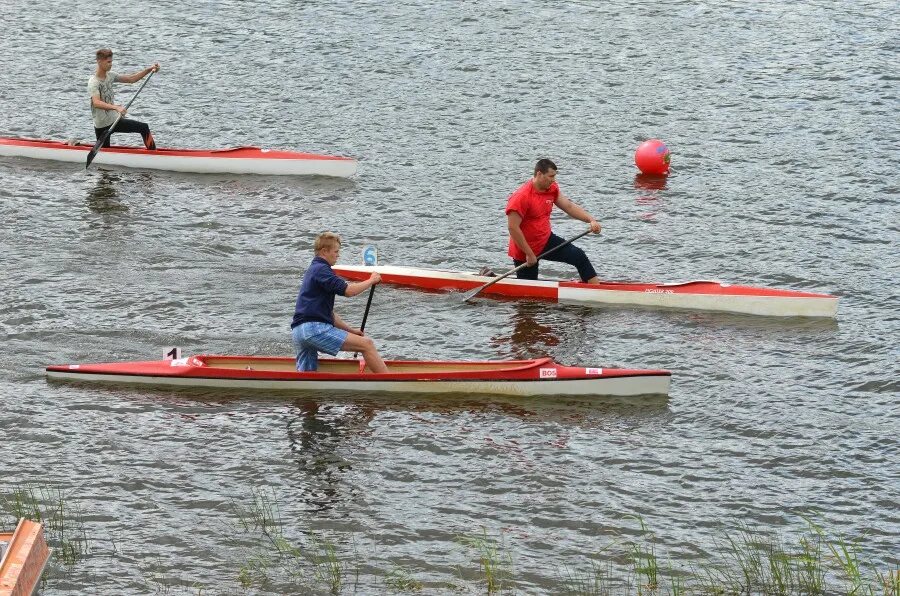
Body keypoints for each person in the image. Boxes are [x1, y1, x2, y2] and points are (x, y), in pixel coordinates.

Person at [291, 232, 388, 373]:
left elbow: (329, 315)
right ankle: (390, 382)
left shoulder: (313, 270)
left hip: (299, 332)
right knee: (367, 344)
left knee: (307, 375)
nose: (338, 255)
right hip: (313, 330)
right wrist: (371, 280)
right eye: (336, 251)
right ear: (324, 251)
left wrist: (351, 331)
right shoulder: (322, 270)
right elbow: (348, 291)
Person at [506, 158, 602, 283]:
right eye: (551, 176)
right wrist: (529, 254)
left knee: (579, 256)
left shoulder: (552, 188)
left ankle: (595, 290)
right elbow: (512, 228)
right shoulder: (521, 197)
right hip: (525, 249)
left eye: (554, 176)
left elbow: (569, 206)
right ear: (539, 174)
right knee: (529, 296)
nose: (553, 180)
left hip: (546, 240)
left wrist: (591, 220)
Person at [88, 48, 160, 150]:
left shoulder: (111, 76)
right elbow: (96, 103)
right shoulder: (93, 82)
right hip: (102, 125)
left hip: (114, 120)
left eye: (111, 61)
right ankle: (75, 145)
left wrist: (149, 70)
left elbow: (131, 79)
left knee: (143, 127)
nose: (111, 64)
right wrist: (116, 107)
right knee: (104, 151)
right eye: (108, 62)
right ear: (99, 62)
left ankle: (154, 154)